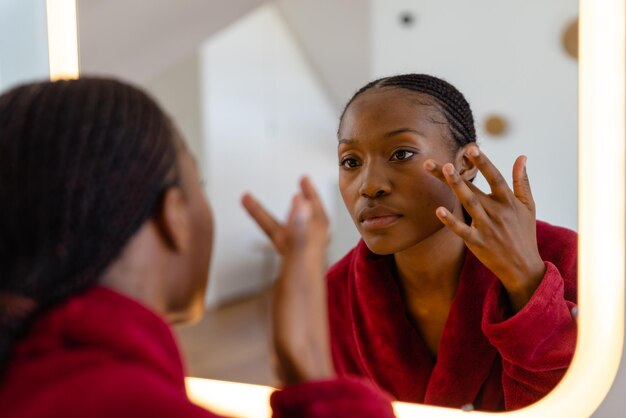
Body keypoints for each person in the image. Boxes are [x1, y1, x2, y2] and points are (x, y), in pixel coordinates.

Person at [0, 78, 395, 418]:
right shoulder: (129, 405)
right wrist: (313, 369)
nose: (370, 185)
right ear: (174, 215)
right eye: (199, 186)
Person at [243, 74, 577, 412]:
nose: (369, 185)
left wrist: (528, 286)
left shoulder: (568, 260)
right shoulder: (335, 296)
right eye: (350, 161)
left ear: (464, 164)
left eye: (401, 153)